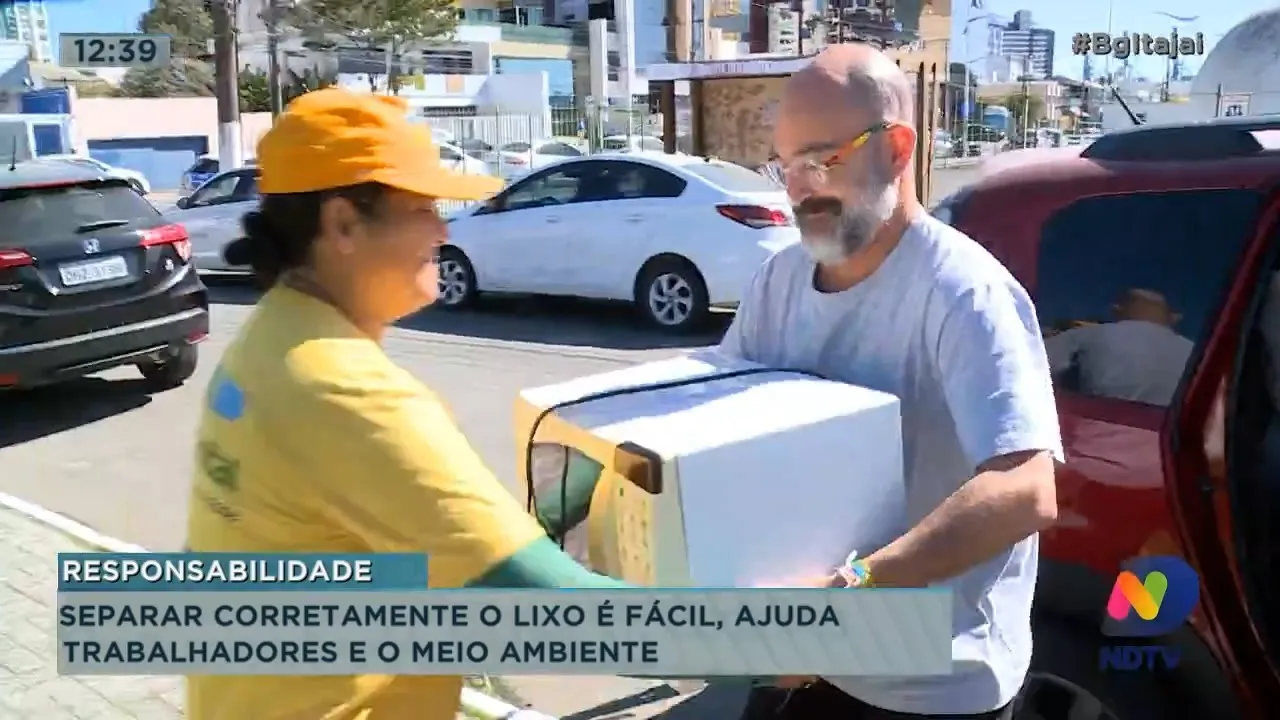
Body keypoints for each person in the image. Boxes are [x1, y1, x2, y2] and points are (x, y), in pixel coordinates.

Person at [184, 88, 627, 720]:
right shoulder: (338, 386)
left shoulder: (271, 339)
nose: (444, 230)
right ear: (342, 224)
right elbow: (560, 609)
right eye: (422, 207)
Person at [724, 46, 1063, 719]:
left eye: (822, 159)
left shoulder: (962, 291)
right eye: (785, 165)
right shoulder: (780, 280)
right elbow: (716, 418)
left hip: (931, 683)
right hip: (807, 661)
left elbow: (1026, 490)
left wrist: (848, 594)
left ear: (897, 149)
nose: (798, 187)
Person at [1043, 288, 1193, 406]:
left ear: (1118, 309)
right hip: (1170, 441)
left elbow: (1031, 367)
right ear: (1172, 317)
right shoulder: (1196, 354)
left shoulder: (1089, 335)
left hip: (1096, 434)